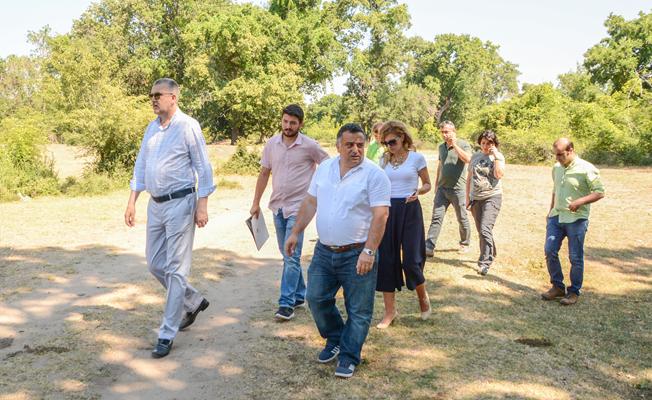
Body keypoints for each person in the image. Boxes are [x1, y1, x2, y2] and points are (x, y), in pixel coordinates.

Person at [285, 123, 390, 378]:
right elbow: (311, 201)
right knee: (316, 298)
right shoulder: (325, 169)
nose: (355, 150)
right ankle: (335, 338)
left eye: (360, 145)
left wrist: (369, 251)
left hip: (357, 253)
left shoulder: (374, 175)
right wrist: (296, 231)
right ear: (338, 146)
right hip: (324, 250)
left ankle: (349, 355)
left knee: (359, 310)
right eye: (349, 145)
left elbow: (380, 215)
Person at [124, 78, 215, 358]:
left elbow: (203, 167)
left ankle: (166, 333)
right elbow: (141, 166)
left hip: (181, 203)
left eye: (158, 95)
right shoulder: (151, 128)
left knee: (176, 269)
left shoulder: (188, 126)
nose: (153, 99)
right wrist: (132, 201)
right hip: (156, 204)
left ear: (173, 97)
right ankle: (193, 299)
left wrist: (202, 205)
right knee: (154, 263)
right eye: (151, 95)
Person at [250, 104, 329, 321]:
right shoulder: (272, 144)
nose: (288, 126)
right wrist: (256, 202)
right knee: (287, 255)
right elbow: (264, 173)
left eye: (293, 123)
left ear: (300, 124)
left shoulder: (310, 145)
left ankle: (286, 304)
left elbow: (329, 164)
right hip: (278, 207)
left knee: (291, 255)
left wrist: (319, 190)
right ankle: (299, 295)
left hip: (300, 208)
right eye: (285, 121)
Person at [375, 121, 432, 329]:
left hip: (410, 209)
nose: (389, 146)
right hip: (389, 209)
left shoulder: (417, 158)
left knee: (411, 260)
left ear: (403, 138)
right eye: (385, 143)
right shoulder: (384, 160)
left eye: (392, 141)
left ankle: (423, 298)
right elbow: (378, 183)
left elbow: (427, 184)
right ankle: (390, 312)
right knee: (387, 259)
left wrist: (420, 191)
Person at [541, 138, 605, 305]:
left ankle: (574, 291)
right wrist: (550, 211)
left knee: (575, 257)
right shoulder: (556, 168)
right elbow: (555, 190)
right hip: (557, 216)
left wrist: (579, 202)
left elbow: (599, 192)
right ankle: (557, 286)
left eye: (560, 155)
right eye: (555, 155)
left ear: (570, 150)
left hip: (576, 219)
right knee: (550, 251)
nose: (557, 158)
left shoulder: (587, 169)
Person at [426, 120, 472, 256]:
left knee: (462, 217)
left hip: (458, 189)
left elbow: (468, 159)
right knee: (436, 218)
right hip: (442, 189)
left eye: (447, 132)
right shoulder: (441, 147)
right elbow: (441, 166)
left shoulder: (463, 144)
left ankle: (464, 243)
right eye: (442, 132)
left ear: (454, 131)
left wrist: (455, 145)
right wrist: (436, 185)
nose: (445, 135)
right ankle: (429, 246)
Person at [466, 130, 505, 276]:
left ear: (494, 144)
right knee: (481, 230)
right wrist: (467, 198)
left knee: (485, 228)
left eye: (489, 143)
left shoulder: (499, 157)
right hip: (476, 198)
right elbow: (469, 177)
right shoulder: (475, 156)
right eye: (483, 143)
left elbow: (499, 174)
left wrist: (495, 157)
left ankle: (484, 262)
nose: (485, 146)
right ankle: (492, 251)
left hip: (492, 197)